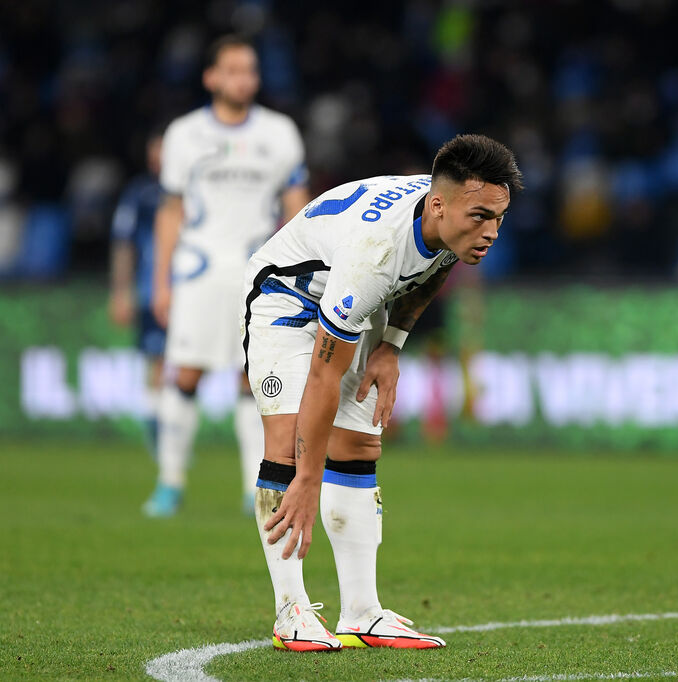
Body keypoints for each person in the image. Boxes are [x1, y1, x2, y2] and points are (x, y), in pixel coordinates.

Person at [241, 134, 522, 651]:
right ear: (439, 205)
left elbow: (433, 270)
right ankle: (290, 612)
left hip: (355, 304)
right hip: (287, 299)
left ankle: (362, 613)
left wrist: (392, 345)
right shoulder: (376, 253)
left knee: (359, 444)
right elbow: (325, 378)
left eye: (499, 218)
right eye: (481, 217)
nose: (492, 231)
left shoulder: (449, 221)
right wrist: (307, 478)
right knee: (287, 443)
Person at [147, 35, 310, 517]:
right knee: (188, 372)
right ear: (211, 77)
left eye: (251, 70)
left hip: (259, 271)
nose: (244, 79)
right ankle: (170, 483)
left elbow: (296, 207)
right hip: (198, 269)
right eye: (234, 70)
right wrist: (161, 281)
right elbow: (170, 210)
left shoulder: (280, 133)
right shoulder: (184, 134)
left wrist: (300, 271)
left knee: (253, 378)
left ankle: (249, 488)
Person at [109, 132, 167, 513]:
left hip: (201, 295)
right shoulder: (141, 194)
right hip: (153, 295)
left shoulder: (201, 190)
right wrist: (121, 291)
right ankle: (162, 447)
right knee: (157, 367)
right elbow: (123, 242)